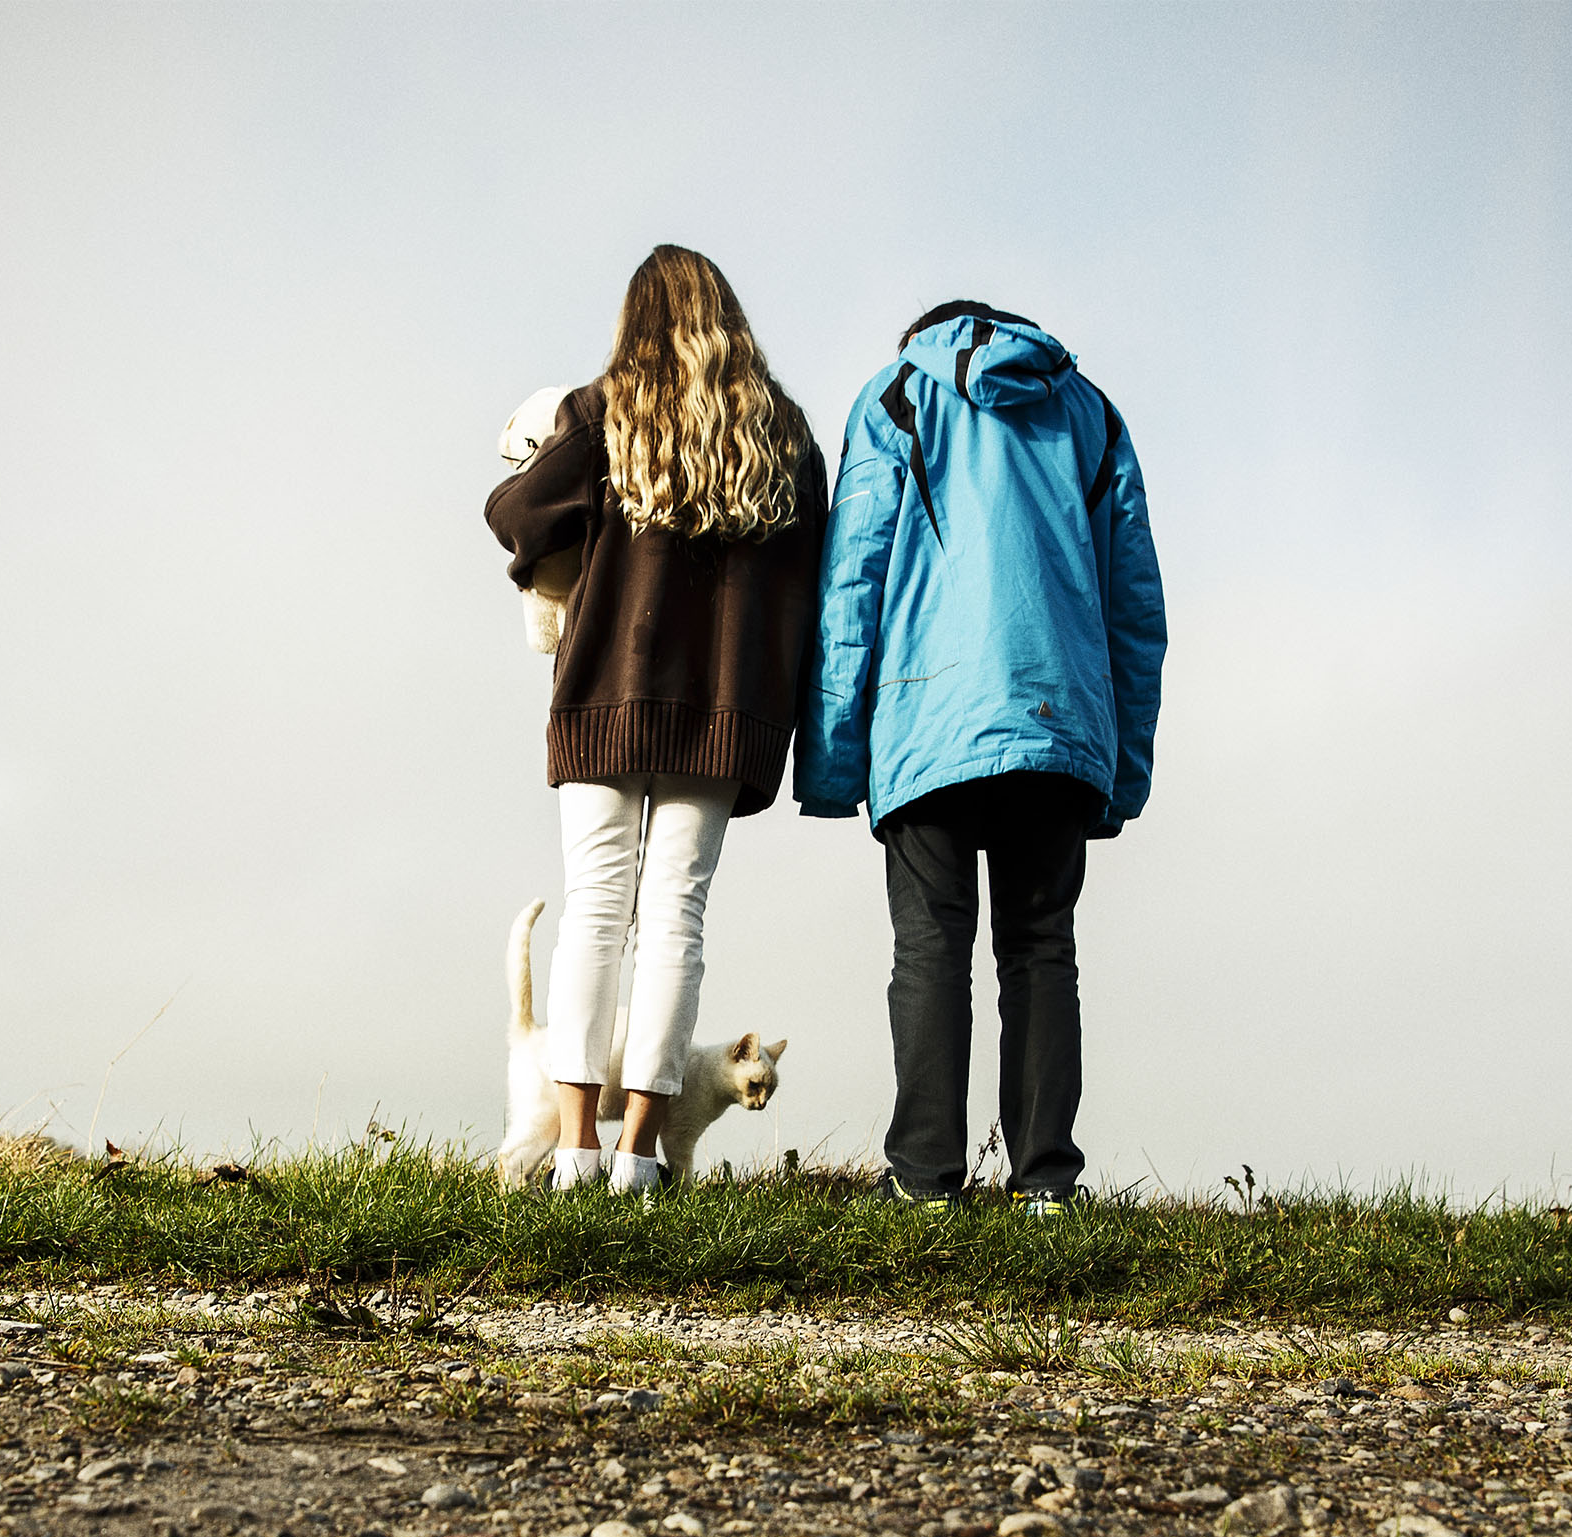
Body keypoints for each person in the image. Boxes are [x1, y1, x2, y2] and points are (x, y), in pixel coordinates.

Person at [794, 302, 1166, 1216]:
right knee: (1042, 951)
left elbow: (852, 582)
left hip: (929, 716)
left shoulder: (896, 399)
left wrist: (839, 760)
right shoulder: (1089, 411)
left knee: (930, 948)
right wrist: (1125, 765)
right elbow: (1134, 603)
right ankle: (1045, 1186)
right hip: (1058, 719)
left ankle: (923, 1182)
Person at [485, 245, 827, 1194]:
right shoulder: (787, 435)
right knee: (676, 919)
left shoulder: (603, 414)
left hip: (605, 690)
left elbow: (513, 510)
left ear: (636, 322)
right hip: (724, 709)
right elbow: (808, 584)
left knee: (595, 912)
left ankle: (574, 1148)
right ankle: (640, 1151)